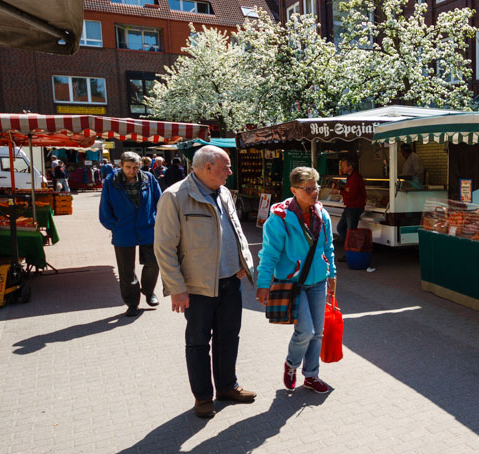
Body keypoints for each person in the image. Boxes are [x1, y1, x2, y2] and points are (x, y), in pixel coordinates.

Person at [154, 145, 257, 419]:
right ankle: (203, 397)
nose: (230, 171)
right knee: (198, 343)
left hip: (229, 282)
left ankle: (227, 387)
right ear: (207, 167)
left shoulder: (223, 192)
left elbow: (237, 231)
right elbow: (164, 247)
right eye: (225, 166)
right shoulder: (175, 196)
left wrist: (243, 263)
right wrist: (176, 288)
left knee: (228, 338)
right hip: (197, 287)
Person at [256, 167, 337, 394]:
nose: (315, 193)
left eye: (316, 187)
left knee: (318, 332)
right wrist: (263, 285)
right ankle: (291, 364)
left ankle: (311, 376)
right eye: (308, 189)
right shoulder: (279, 218)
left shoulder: (322, 214)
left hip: (318, 281)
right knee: (307, 331)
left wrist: (332, 273)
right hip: (292, 284)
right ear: (294, 190)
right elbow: (269, 253)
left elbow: (328, 246)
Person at [99, 152, 162, 316]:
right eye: (128, 167)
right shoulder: (111, 181)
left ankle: (148, 291)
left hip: (148, 228)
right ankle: (132, 302)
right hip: (123, 231)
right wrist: (115, 226)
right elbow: (105, 207)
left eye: (135, 167)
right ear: (121, 165)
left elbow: (159, 201)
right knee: (126, 271)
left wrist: (158, 220)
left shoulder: (148, 178)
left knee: (154, 263)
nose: (132, 171)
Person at [331, 156, 366, 262]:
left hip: (354, 207)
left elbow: (352, 195)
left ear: (350, 167)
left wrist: (338, 192)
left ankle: (352, 253)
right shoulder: (350, 177)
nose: (342, 168)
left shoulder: (355, 177)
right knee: (341, 228)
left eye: (343, 166)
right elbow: (348, 191)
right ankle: (351, 250)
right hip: (349, 207)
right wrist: (340, 188)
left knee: (350, 231)